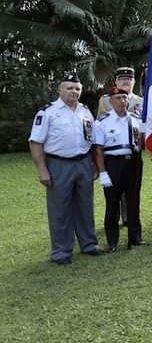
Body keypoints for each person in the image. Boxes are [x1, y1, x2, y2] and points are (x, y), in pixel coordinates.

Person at [28, 71, 100, 264]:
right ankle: (61, 251)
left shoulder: (85, 111)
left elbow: (92, 140)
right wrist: (42, 170)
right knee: (60, 209)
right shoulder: (48, 112)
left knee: (85, 206)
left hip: (84, 163)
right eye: (69, 88)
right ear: (60, 90)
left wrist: (93, 163)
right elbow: (35, 143)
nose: (74, 91)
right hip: (59, 164)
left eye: (77, 88)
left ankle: (89, 244)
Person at [93, 86, 144, 252]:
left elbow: (140, 144)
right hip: (113, 164)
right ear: (111, 101)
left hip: (132, 162)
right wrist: (102, 172)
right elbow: (98, 150)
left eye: (124, 98)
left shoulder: (135, 119)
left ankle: (135, 238)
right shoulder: (102, 122)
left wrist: (140, 140)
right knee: (112, 204)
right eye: (118, 98)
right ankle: (112, 241)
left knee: (133, 201)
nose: (122, 101)